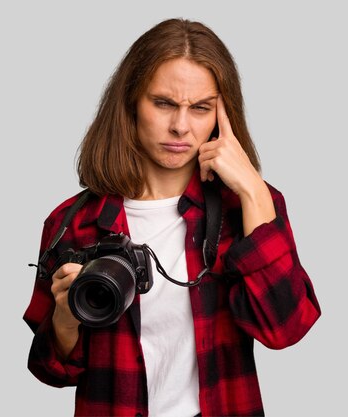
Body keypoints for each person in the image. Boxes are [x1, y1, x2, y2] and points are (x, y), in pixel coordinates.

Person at [24, 18, 321, 417]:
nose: (180, 126)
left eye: (200, 108)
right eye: (163, 103)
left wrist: (251, 187)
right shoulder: (73, 222)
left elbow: (285, 330)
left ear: (222, 115)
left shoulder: (249, 208)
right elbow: (51, 371)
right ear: (131, 102)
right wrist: (65, 318)